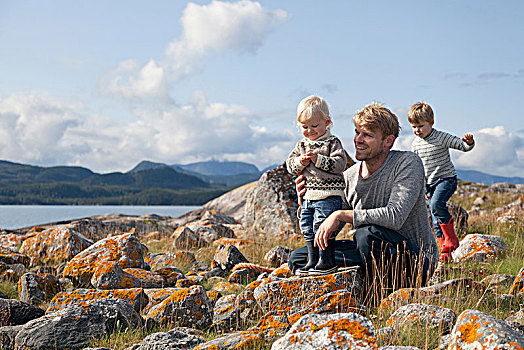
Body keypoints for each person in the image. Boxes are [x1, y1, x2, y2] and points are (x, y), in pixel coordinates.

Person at [288, 102, 438, 296]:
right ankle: (362, 282)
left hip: (416, 260)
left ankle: (382, 297)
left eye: (367, 135)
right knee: (300, 257)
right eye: (357, 132)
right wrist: (308, 200)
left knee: (366, 235)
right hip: (370, 251)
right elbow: (326, 225)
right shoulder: (349, 176)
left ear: (388, 141)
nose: (358, 140)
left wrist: (341, 214)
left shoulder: (407, 163)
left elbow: (395, 216)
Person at [286, 95, 347, 276]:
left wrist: (317, 159)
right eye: (305, 127)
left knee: (321, 226)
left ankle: (326, 261)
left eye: (314, 126)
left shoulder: (332, 142)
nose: (310, 131)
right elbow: (290, 165)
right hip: (308, 196)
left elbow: (339, 164)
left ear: (327, 122)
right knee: (306, 226)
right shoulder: (301, 145)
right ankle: (313, 260)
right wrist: (301, 162)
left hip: (328, 195)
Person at [408, 101, 474, 263]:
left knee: (437, 204)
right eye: (413, 127)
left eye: (421, 126)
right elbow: (417, 166)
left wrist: (469, 142)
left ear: (431, 123)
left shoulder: (441, 137)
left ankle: (451, 238)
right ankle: (445, 251)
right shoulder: (415, 144)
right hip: (428, 184)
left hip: (446, 180)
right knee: (434, 216)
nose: (417, 130)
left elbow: (463, 147)